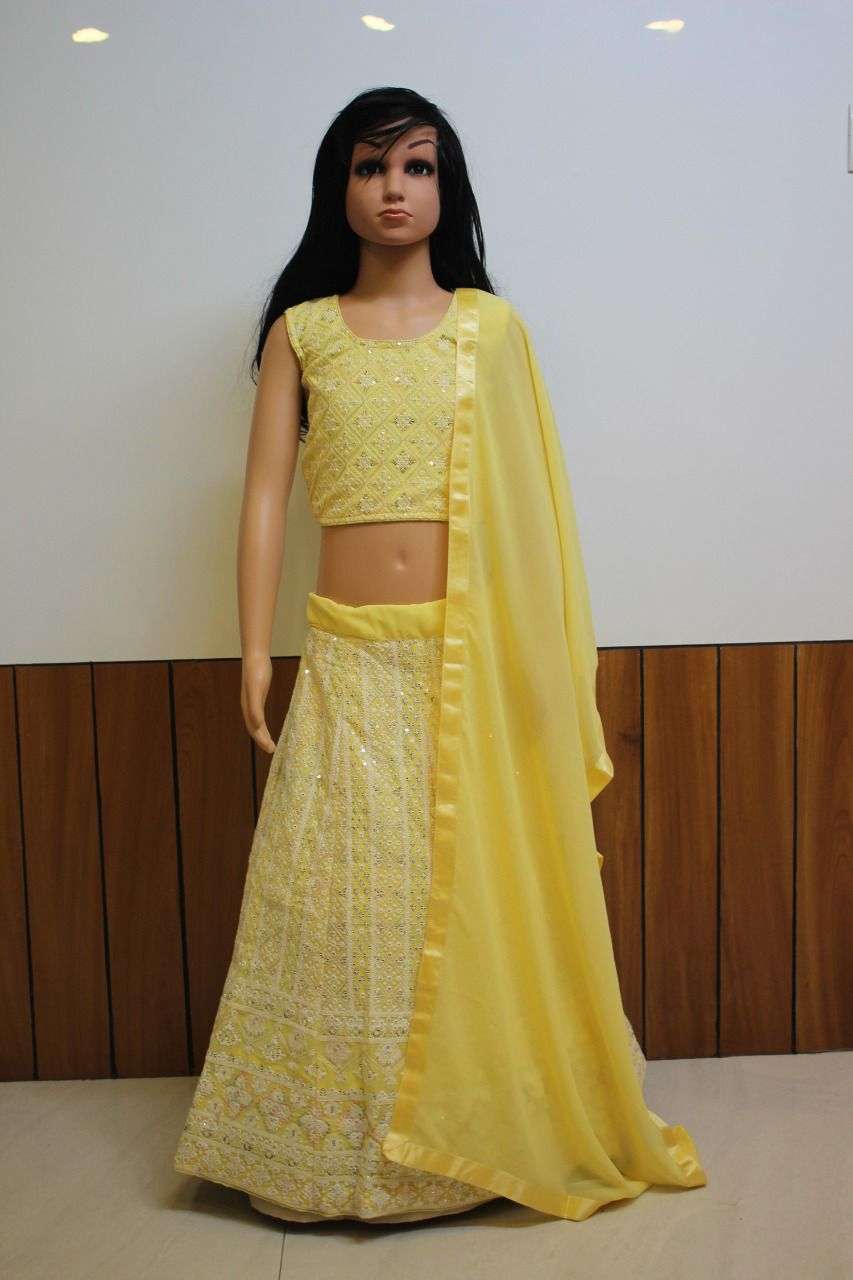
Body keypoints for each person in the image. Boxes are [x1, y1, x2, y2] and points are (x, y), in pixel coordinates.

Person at [173, 85, 707, 1225]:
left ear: (446, 188)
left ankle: (467, 1146)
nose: (394, 189)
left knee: (465, 904)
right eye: (370, 167)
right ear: (338, 187)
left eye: (417, 166)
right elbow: (263, 496)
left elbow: (535, 511)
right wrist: (254, 652)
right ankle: (324, 1153)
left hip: (467, 667)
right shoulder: (304, 331)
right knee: (337, 906)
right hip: (346, 659)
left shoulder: (489, 330)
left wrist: (537, 669)